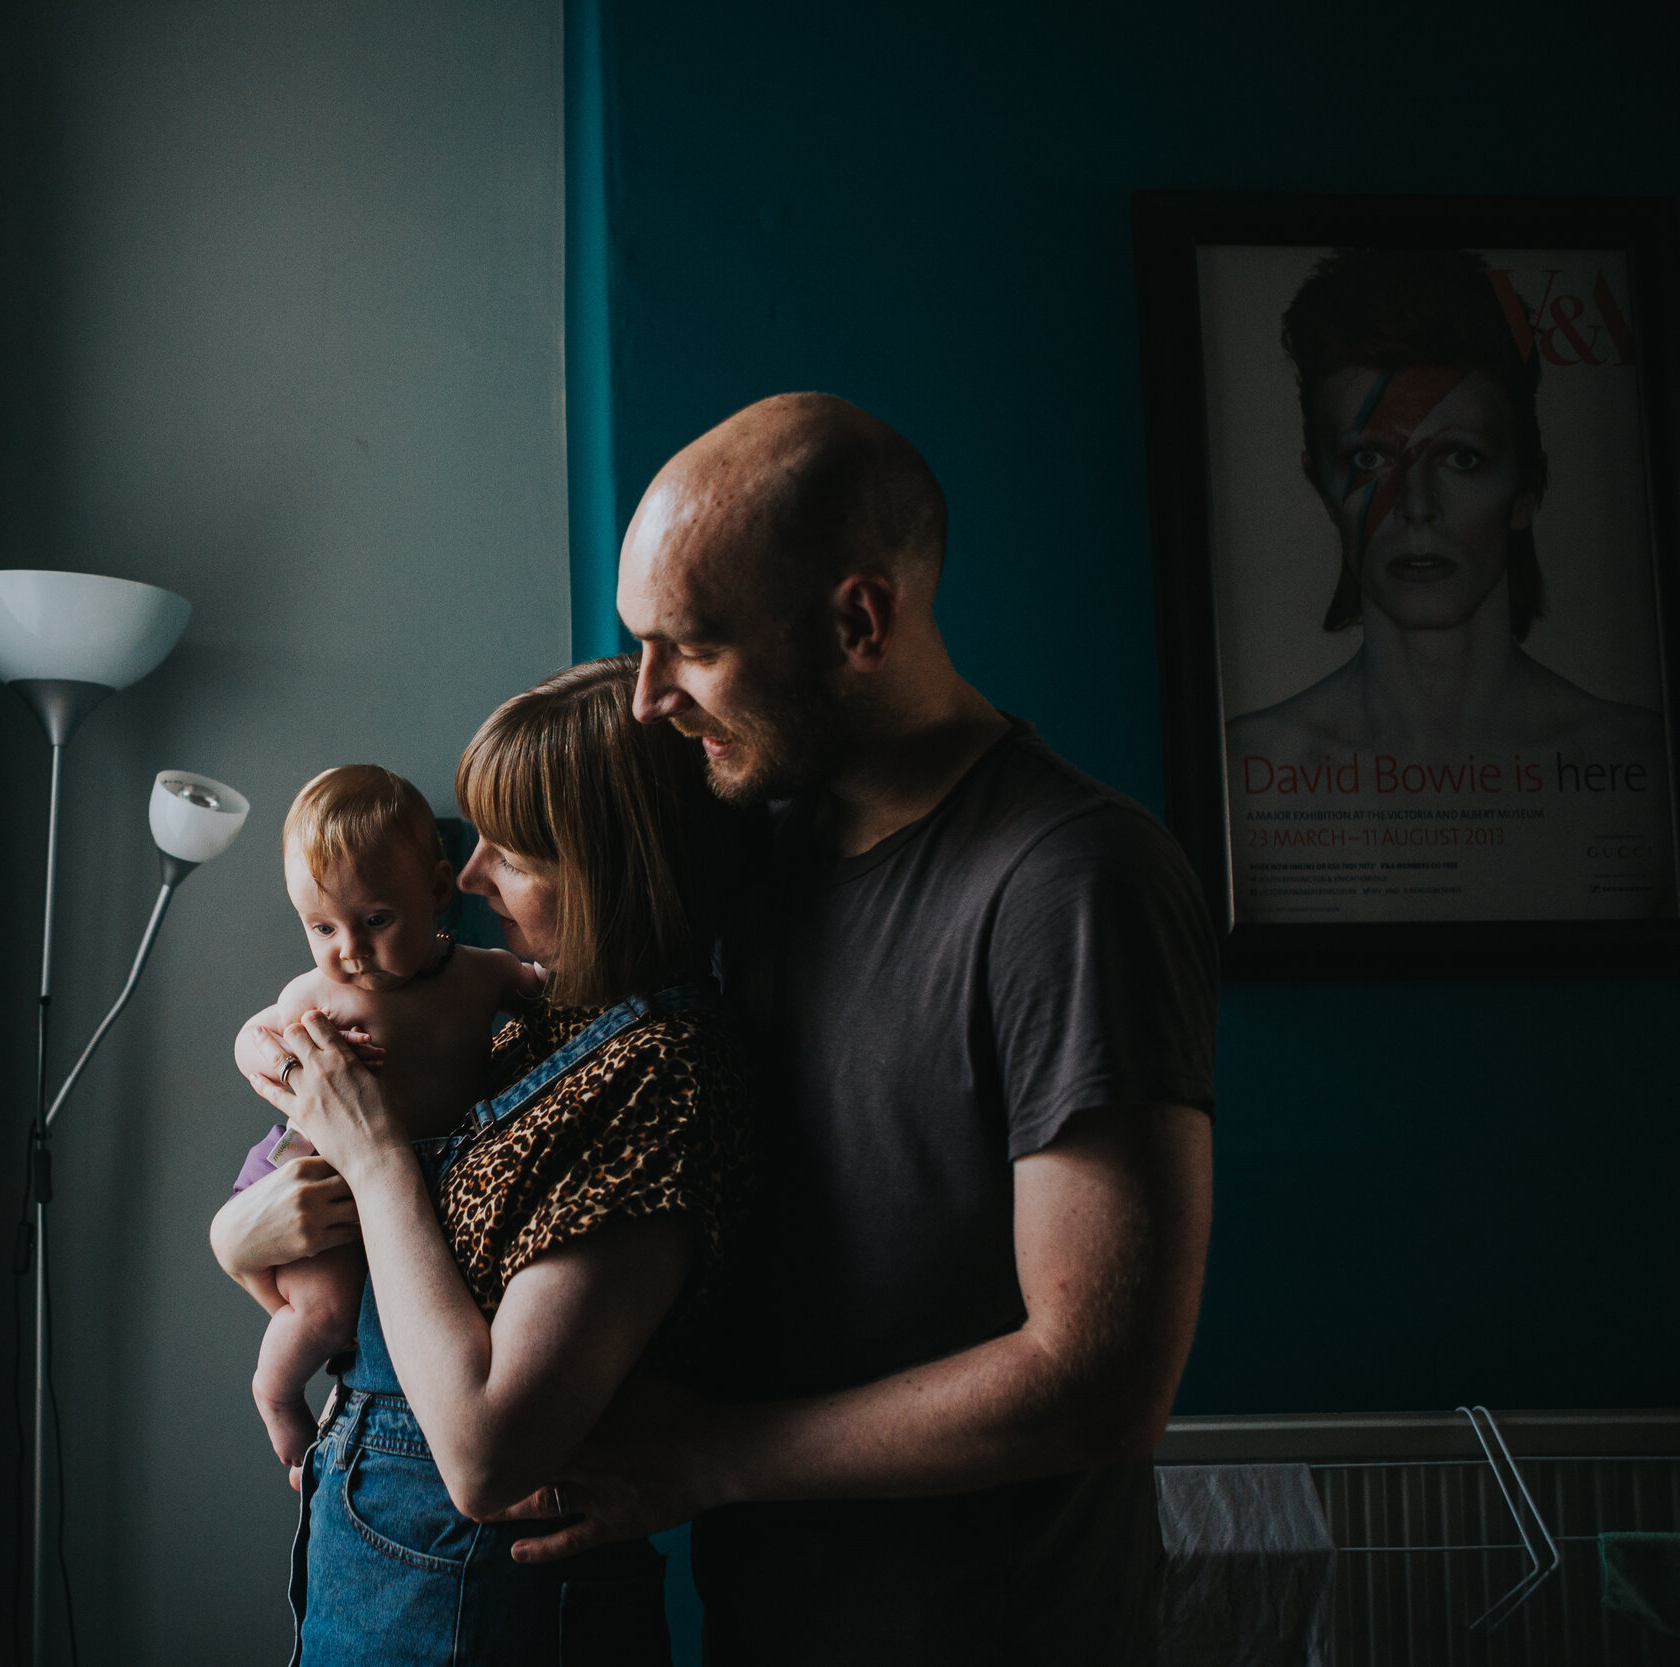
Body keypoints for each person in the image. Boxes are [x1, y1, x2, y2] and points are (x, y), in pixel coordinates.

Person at [498, 393, 1218, 1664]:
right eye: (640, 646)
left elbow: (1099, 1378)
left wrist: (709, 1459)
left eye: (694, 647)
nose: (647, 698)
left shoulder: (1069, 880)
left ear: (858, 620)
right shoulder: (756, 852)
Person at [209, 659, 750, 1666]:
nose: (466, 876)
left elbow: (485, 1456)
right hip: (380, 1535)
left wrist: (371, 1159)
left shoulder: (658, 1069)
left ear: (607, 865)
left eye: (514, 850)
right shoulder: (545, 1031)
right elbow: (396, 1287)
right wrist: (238, 1236)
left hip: (469, 1588)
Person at [1225, 247, 1670, 920]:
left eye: (1462, 457)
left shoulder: (1642, 765)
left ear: (1525, 485)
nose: (1417, 506)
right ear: (1321, 483)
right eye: (1371, 459)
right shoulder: (1243, 776)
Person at [226, 764, 544, 1465]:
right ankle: (278, 1394)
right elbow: (254, 1034)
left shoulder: (481, 974)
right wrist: (270, 1058)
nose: (349, 947)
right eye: (321, 925)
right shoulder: (317, 992)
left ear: (436, 891)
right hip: (316, 1179)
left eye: (375, 919)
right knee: (329, 1313)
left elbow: (545, 989)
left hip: (406, 1181)